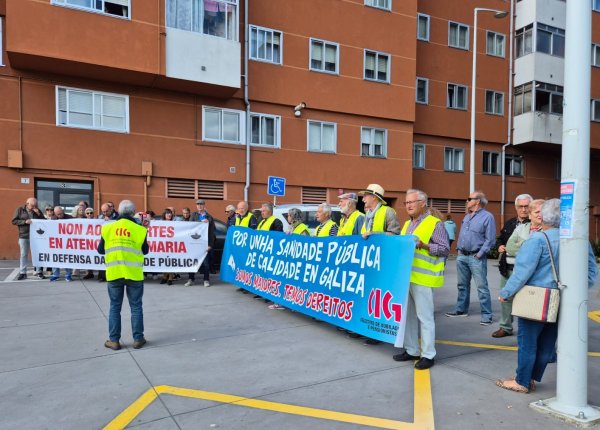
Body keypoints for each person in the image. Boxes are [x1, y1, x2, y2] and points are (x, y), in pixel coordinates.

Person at [495, 199, 598, 393]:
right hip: (564, 299)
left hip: (536, 299)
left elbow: (522, 273)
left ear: (543, 217)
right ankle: (531, 379)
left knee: (527, 342)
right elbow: (592, 272)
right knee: (547, 344)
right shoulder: (580, 239)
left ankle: (522, 381)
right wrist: (575, 290)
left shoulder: (538, 240)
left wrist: (506, 293)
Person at [393, 189, 450, 370]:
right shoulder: (407, 224)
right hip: (407, 277)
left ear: (423, 203)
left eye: (412, 202)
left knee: (425, 318)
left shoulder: (434, 223)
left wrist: (424, 245)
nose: (408, 205)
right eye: (406, 202)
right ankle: (412, 350)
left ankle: (428, 355)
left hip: (423, 278)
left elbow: (444, 249)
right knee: (408, 317)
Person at [98, 200, 149, 351]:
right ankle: (138, 339)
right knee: (136, 307)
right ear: (133, 213)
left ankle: (114, 341)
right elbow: (145, 251)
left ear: (118, 212)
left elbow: (100, 250)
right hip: (134, 274)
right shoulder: (140, 229)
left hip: (115, 273)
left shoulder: (107, 228)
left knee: (115, 307)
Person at [445, 190, 496, 325]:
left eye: (469, 199)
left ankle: (487, 315)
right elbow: (463, 234)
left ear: (477, 201)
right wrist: (459, 250)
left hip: (476, 257)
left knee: (482, 287)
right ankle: (461, 309)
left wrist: (479, 254)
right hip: (462, 256)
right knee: (462, 285)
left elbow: (490, 239)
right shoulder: (467, 216)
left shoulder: (487, 217)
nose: (466, 201)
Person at [358, 184, 400, 345]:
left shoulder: (388, 212)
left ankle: (378, 334)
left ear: (374, 197)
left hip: (383, 261)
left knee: (379, 298)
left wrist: (373, 234)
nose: (363, 199)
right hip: (370, 261)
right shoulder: (367, 214)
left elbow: (395, 234)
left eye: (365, 196)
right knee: (370, 296)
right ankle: (370, 330)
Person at [492, 194, 533, 338]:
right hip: (507, 268)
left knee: (526, 300)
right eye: (520, 206)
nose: (523, 209)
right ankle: (505, 327)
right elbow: (500, 239)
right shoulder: (510, 223)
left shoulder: (534, 225)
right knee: (505, 298)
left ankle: (527, 331)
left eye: (526, 206)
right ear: (516, 208)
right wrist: (500, 246)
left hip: (524, 271)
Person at [12, 197, 46, 280]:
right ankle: (23, 273)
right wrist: (24, 221)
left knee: (38, 254)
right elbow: (14, 221)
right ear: (27, 204)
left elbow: (44, 222)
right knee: (23, 254)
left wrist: (39, 214)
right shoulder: (20, 210)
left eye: (35, 205)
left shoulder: (37, 210)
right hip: (24, 236)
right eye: (32, 205)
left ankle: (39, 272)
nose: (34, 207)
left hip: (36, 236)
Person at [191, 199, 216, 287]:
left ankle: (206, 280)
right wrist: (200, 222)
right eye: (198, 204)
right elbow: (189, 226)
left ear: (204, 205)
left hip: (204, 244)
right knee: (192, 262)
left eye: (201, 204)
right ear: (196, 206)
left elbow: (212, 232)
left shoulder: (209, 217)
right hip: (194, 243)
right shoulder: (194, 215)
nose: (199, 206)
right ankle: (191, 279)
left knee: (206, 263)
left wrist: (210, 245)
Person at [49, 206, 74, 282]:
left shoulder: (70, 218)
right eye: (58, 214)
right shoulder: (52, 219)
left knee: (67, 258)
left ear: (63, 211)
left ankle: (68, 275)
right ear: (55, 213)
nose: (60, 215)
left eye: (61, 213)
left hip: (67, 242)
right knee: (55, 258)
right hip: (57, 242)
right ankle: (55, 275)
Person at [97, 202, 120, 282]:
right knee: (103, 258)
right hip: (104, 239)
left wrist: (110, 221)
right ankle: (102, 276)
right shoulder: (100, 217)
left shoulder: (117, 216)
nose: (105, 213)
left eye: (106, 211)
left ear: (111, 209)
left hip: (114, 240)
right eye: (103, 212)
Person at [160, 208, 176, 286]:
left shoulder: (175, 223)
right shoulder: (160, 223)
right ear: (164, 215)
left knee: (170, 261)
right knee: (164, 261)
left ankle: (170, 277)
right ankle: (165, 275)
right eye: (167, 213)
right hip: (163, 245)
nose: (169, 214)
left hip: (172, 245)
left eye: (170, 213)